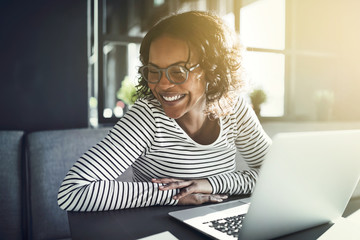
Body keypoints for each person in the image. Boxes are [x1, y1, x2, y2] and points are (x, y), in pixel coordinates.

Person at [57, 10, 271, 211]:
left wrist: (210, 184)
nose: (162, 85)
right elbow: (73, 191)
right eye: (154, 71)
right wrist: (177, 194)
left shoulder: (235, 108)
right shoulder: (147, 117)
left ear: (213, 69)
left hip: (218, 222)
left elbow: (277, 175)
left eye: (178, 72)